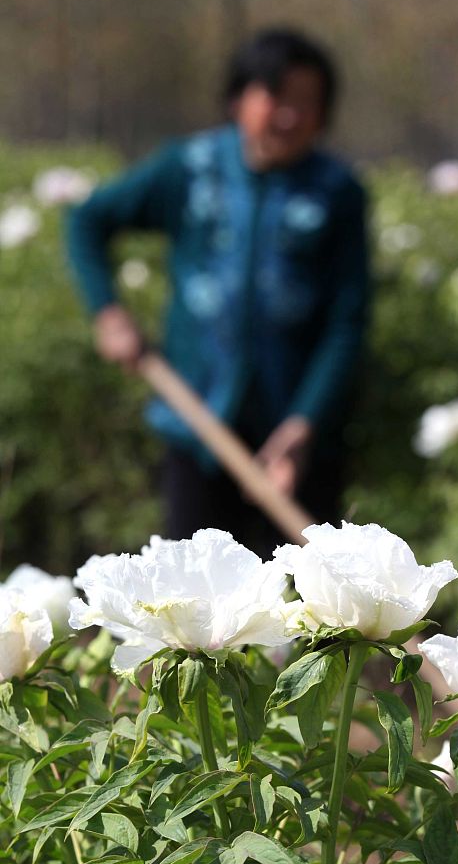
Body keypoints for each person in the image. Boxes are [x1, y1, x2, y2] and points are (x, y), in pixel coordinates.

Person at [66, 27, 370, 553]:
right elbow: (87, 220)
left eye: (309, 103)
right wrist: (108, 313)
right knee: (198, 605)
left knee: (307, 611)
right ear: (239, 98)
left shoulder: (336, 192)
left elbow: (348, 321)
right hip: (199, 425)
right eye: (277, 97)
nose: (292, 117)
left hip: (299, 437)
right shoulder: (189, 168)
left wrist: (304, 425)